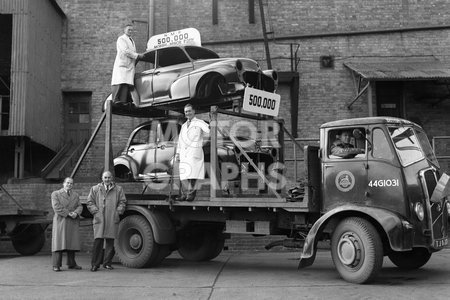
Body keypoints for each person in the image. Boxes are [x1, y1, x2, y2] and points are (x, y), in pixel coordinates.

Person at [86, 171, 127, 272]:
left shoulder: (118, 189)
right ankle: (95, 264)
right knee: (98, 242)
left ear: (112, 178)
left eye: (109, 177)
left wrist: (118, 211)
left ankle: (107, 263)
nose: (107, 179)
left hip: (112, 218)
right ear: (102, 178)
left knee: (110, 241)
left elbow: (122, 201)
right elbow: (90, 202)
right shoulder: (95, 189)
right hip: (99, 218)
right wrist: (95, 211)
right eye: (105, 177)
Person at [175, 104, 210, 201]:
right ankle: (183, 195)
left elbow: (209, 130)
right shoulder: (183, 126)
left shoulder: (199, 122)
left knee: (193, 175)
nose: (187, 113)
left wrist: (212, 122)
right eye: (186, 111)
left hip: (194, 152)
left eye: (189, 111)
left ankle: (190, 195)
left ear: (194, 111)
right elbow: (180, 141)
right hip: (184, 153)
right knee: (184, 174)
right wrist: (178, 153)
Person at [51, 177, 83, 272]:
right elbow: (56, 207)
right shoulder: (56, 194)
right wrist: (69, 213)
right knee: (58, 243)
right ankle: (56, 265)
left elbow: (80, 206)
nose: (69, 185)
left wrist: (76, 213)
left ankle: (71, 264)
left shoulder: (75, 195)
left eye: (71, 183)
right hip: (61, 221)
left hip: (72, 221)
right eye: (68, 183)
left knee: (72, 243)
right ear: (63, 183)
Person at [111, 23, 144, 107]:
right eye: (129, 29)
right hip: (122, 65)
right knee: (120, 82)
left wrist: (137, 56)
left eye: (132, 30)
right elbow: (125, 51)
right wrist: (137, 55)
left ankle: (123, 101)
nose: (130, 31)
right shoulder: (121, 39)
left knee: (126, 83)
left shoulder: (132, 40)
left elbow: (132, 52)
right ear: (124, 30)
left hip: (129, 66)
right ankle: (116, 100)